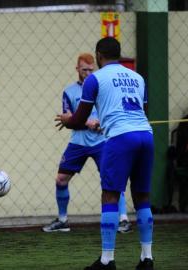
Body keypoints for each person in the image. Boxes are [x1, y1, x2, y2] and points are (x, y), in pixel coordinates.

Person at [56, 37, 154, 270]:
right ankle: (147, 258)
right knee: (142, 196)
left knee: (110, 195)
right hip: (145, 136)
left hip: (120, 139)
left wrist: (68, 121)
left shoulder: (94, 79)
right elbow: (142, 110)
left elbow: (80, 118)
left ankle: (107, 260)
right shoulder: (138, 78)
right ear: (118, 54)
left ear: (99, 56)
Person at [42, 53, 132, 234]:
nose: (88, 73)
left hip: (103, 142)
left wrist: (102, 123)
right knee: (61, 179)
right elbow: (67, 120)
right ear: (77, 69)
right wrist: (87, 122)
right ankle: (63, 220)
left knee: (112, 179)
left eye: (91, 70)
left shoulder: (103, 87)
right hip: (78, 142)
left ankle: (123, 220)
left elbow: (113, 113)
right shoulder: (69, 91)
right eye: (84, 70)